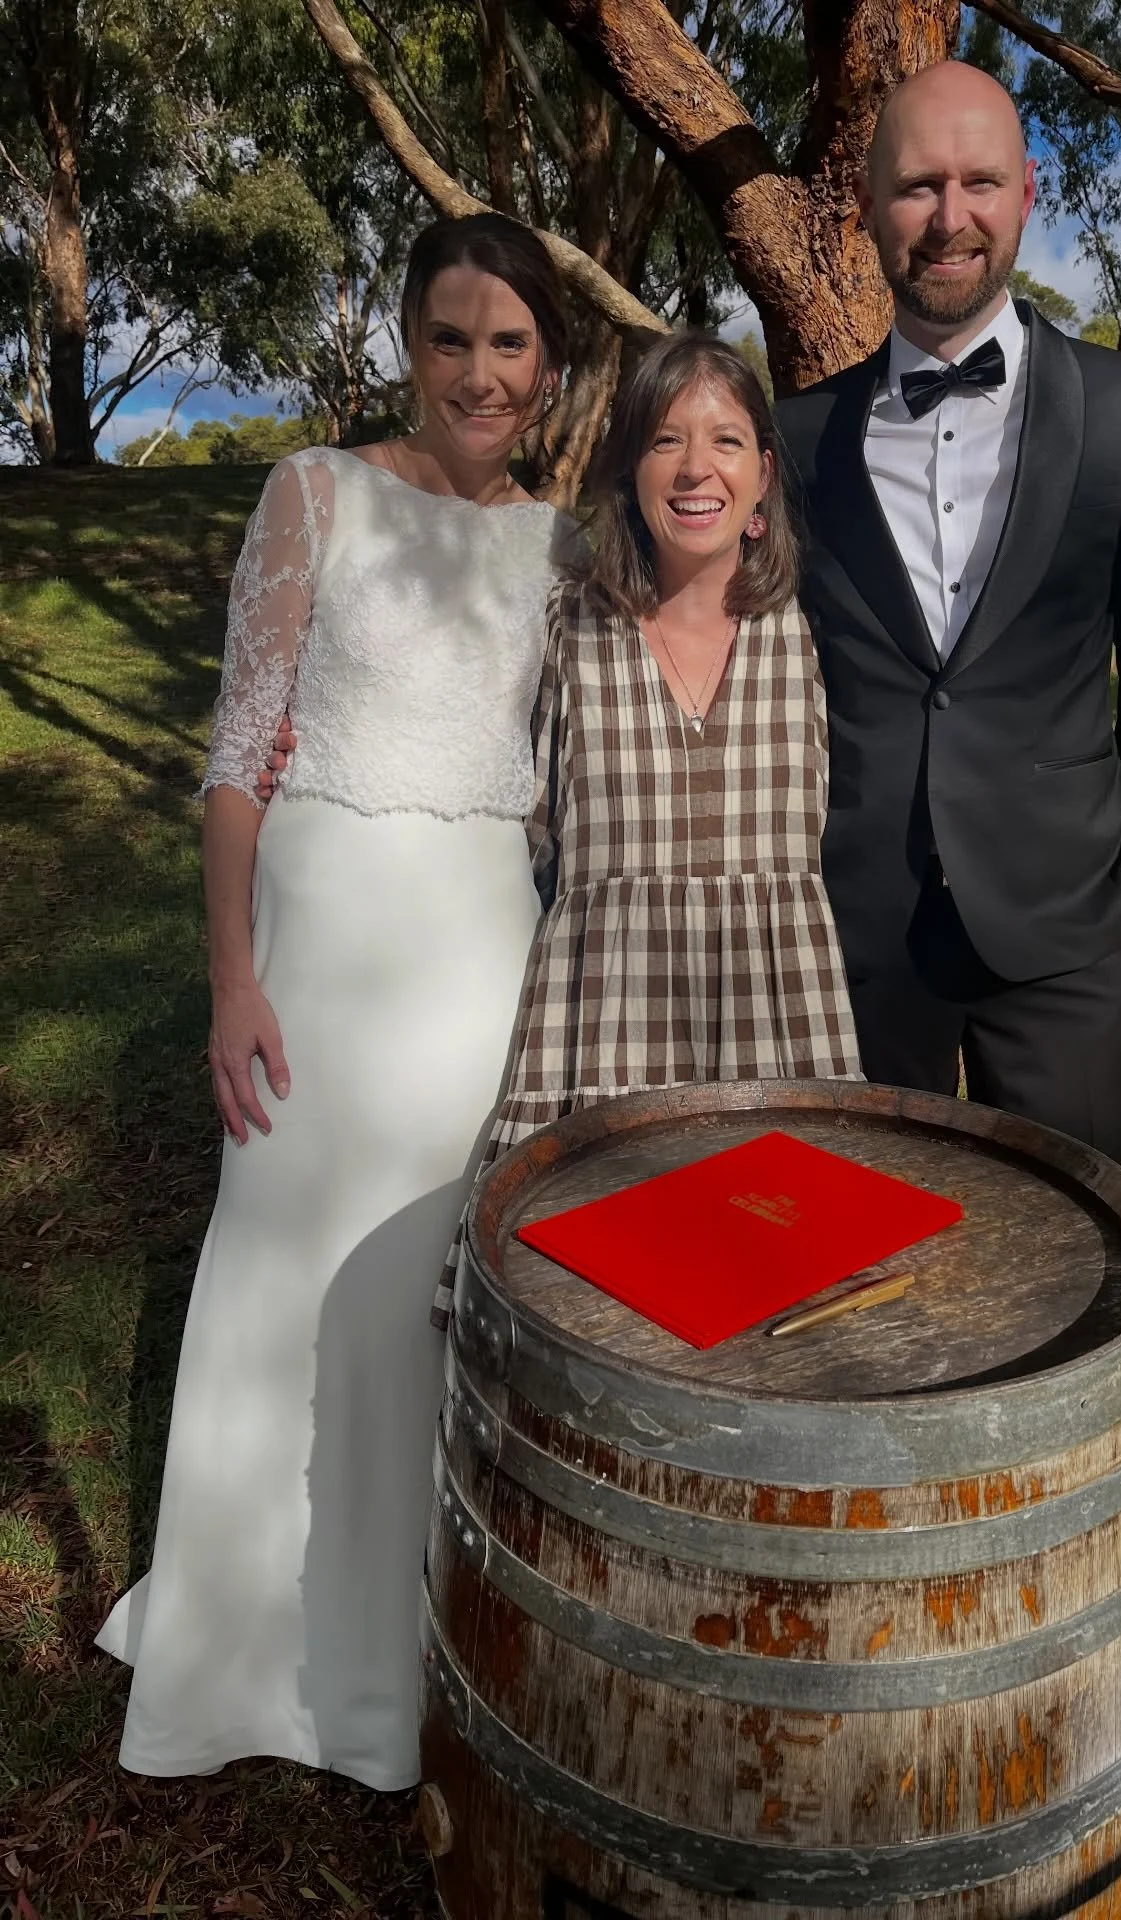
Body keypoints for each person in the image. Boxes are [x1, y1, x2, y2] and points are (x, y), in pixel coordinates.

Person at [95, 214, 578, 1789]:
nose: (480, 373)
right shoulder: (316, 493)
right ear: (408, 343)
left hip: (481, 956)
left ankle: (406, 1646)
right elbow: (238, 763)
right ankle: (242, 1652)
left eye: (511, 344)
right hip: (319, 950)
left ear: (550, 365)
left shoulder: (564, 543)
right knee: (287, 1276)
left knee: (427, 1295)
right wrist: (232, 978)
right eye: (452, 338)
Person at [776, 62, 1121, 1165]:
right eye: (919, 185)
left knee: (1071, 1281)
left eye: (981, 182)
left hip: (1070, 937)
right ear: (869, 208)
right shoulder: (796, 439)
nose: (950, 217)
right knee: (872, 1275)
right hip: (861, 935)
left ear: (1028, 196)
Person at [475, 333, 861, 1169]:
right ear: (631, 472)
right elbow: (500, 812)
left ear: (762, 474)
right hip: (601, 1043)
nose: (696, 468)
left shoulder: (815, 633)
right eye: (665, 439)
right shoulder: (566, 628)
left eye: (725, 440)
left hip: (782, 1039)